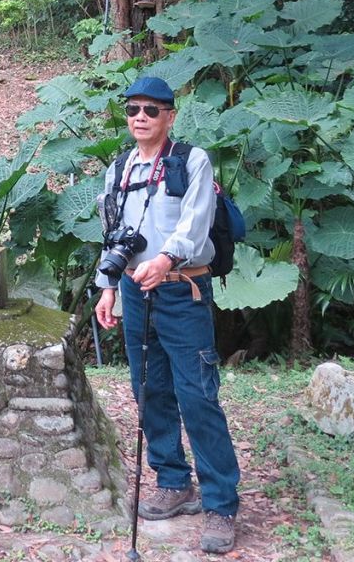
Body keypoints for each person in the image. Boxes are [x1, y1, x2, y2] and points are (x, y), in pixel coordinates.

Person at [94, 76, 240, 555]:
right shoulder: (118, 167)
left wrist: (164, 260)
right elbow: (113, 232)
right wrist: (107, 287)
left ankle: (220, 505)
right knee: (149, 390)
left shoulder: (190, 161)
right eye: (133, 109)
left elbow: (195, 223)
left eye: (151, 110)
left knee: (197, 395)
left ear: (169, 116)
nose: (140, 117)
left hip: (183, 290)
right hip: (137, 293)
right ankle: (172, 480)